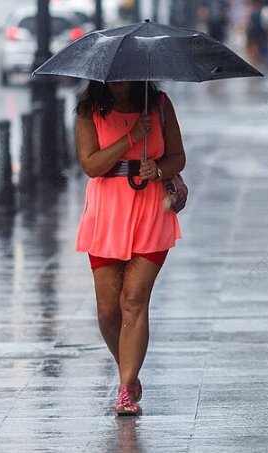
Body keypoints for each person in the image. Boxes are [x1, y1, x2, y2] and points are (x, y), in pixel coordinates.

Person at [74, 80, 185, 416]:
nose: (120, 82)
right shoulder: (88, 111)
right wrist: (132, 137)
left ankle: (126, 387)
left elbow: (178, 157)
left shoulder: (159, 104)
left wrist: (160, 169)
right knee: (109, 311)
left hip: (151, 209)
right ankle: (127, 366)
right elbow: (91, 165)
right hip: (106, 212)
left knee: (133, 299)